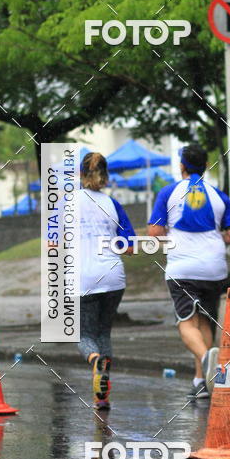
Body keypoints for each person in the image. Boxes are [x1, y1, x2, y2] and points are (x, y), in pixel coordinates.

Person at [147, 143, 230, 398]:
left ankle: (206, 361)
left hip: (183, 268)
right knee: (204, 321)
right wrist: (212, 239)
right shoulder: (219, 195)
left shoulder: (168, 192)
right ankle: (200, 383)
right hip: (214, 269)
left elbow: (155, 232)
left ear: (181, 166)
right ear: (204, 166)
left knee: (186, 323)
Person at [78, 152, 136, 409]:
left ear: (80, 175)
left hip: (82, 278)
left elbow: (52, 245)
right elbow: (130, 247)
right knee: (104, 332)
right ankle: (102, 398)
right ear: (105, 176)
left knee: (83, 335)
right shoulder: (114, 205)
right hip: (113, 277)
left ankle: (94, 361)